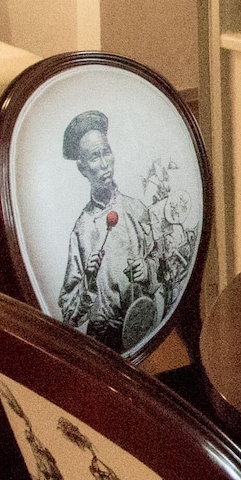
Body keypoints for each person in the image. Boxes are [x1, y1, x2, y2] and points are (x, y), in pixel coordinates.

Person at [57, 110, 163, 351]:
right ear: (82, 168)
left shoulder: (137, 209)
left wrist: (147, 268)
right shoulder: (81, 229)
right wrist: (88, 281)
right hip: (103, 341)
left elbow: (163, 265)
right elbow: (69, 314)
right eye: (95, 157)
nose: (105, 164)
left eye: (106, 152)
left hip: (143, 325)